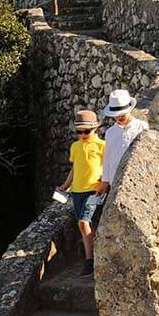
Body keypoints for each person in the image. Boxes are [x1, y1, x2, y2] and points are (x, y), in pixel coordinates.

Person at [58, 110, 104, 277]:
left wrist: (103, 183)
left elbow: (107, 166)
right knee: (84, 225)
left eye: (86, 131)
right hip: (76, 191)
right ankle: (92, 256)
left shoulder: (101, 146)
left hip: (93, 190)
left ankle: (89, 261)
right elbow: (74, 168)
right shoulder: (75, 147)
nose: (83, 134)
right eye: (79, 131)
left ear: (95, 129)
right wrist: (65, 185)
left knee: (83, 223)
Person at [98, 89, 148, 195]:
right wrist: (105, 181)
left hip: (136, 178)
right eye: (116, 115)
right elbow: (108, 157)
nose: (118, 117)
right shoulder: (110, 133)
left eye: (121, 114)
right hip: (114, 180)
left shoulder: (141, 126)